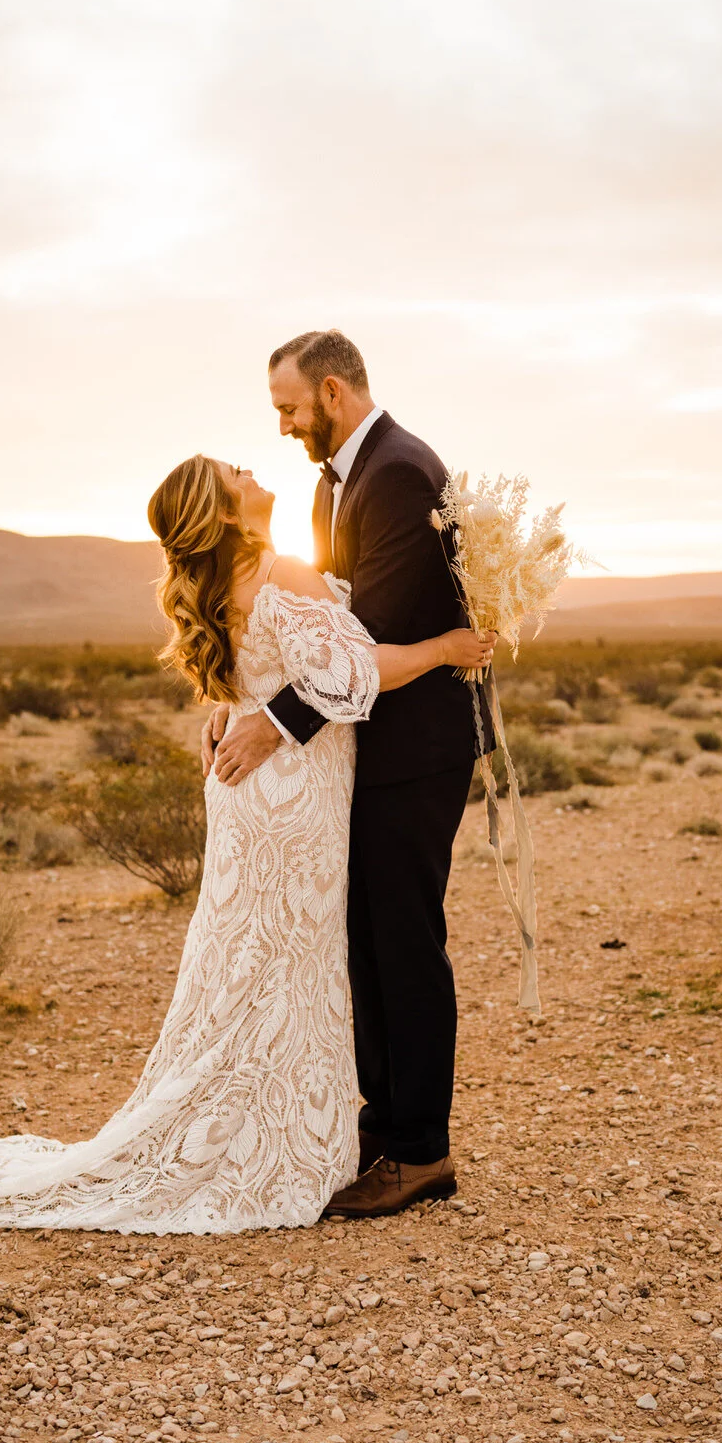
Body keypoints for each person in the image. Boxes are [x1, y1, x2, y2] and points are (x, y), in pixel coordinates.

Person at [0, 453, 492, 1234]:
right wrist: (443, 650)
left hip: (249, 793)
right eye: (235, 474)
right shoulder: (281, 570)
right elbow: (354, 673)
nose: (251, 469)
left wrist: (238, 708)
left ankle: (265, 1129)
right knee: (281, 963)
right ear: (225, 512)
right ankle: (270, 1141)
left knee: (252, 961)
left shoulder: (224, 580)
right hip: (290, 795)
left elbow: (262, 675)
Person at [203, 330, 492, 1218]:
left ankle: (421, 1152)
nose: (283, 426)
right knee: (365, 940)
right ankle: (383, 1127)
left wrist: (274, 725)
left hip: (416, 750)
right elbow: (319, 625)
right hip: (372, 748)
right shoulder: (339, 481)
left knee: (403, 942)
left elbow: (363, 644)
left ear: (332, 391)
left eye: (289, 407)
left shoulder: (396, 472)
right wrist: (238, 696)